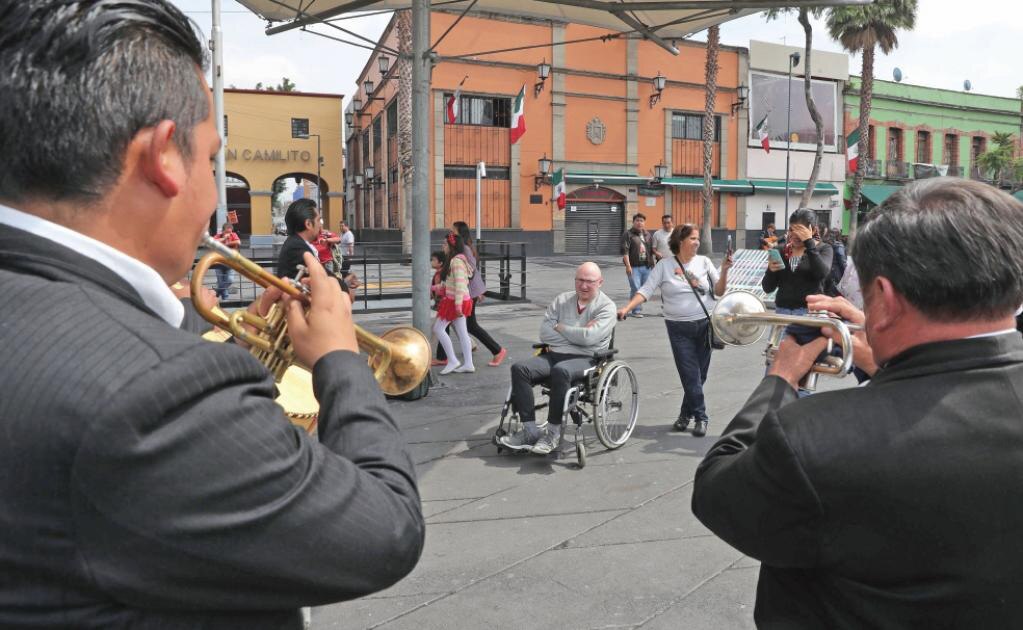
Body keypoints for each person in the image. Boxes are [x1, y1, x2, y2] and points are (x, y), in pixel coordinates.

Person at [0, 3, 424, 627]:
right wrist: (339, 356)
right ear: (165, 157)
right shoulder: (156, 397)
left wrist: (249, 330)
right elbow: (385, 530)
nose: (211, 192)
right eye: (210, 159)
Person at [692, 178, 1023, 628]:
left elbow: (717, 491)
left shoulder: (812, 439)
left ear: (883, 299)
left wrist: (781, 376)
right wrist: (886, 344)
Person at [617, 224, 732, 437]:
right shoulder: (664, 266)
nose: (697, 242)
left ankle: (684, 415)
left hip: (705, 325)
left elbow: (719, 291)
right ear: (680, 241)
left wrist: (724, 270)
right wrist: (627, 308)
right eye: (693, 239)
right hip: (678, 328)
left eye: (698, 239)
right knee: (690, 374)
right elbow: (646, 290)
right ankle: (701, 417)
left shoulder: (704, 262)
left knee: (700, 376)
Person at [499, 262, 616, 455]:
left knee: (561, 371)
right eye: (580, 280)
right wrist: (579, 334)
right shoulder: (562, 300)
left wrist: (560, 327)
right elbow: (544, 333)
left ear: (600, 282)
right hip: (554, 354)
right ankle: (530, 431)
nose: (584, 285)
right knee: (520, 368)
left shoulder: (607, 307)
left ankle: (553, 434)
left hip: (586, 358)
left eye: (589, 281)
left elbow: (590, 338)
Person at [435, 221, 507, 367]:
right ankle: (448, 356)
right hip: (466, 292)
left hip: (466, 293)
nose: (451, 233)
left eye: (453, 230)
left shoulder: (465, 250)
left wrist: (468, 290)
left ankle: (497, 350)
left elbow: (470, 271)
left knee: (469, 325)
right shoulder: (461, 249)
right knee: (460, 324)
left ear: (459, 232)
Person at [433, 232, 476, 375]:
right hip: (459, 301)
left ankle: (452, 360)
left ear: (451, 246)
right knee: (463, 333)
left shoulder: (456, 262)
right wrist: (435, 288)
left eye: (444, 244)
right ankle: (468, 363)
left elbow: (460, 285)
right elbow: (452, 284)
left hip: (456, 302)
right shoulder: (455, 261)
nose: (442, 246)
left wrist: (457, 306)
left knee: (438, 329)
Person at [277, 198, 322, 281]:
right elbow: (323, 277)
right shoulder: (297, 248)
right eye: (318, 220)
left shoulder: (294, 243)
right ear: (308, 224)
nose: (320, 225)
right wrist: (346, 284)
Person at [621, 213, 654, 317]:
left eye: (642, 221)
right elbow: (625, 251)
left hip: (646, 266)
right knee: (636, 288)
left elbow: (650, 251)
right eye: (637, 220)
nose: (639, 223)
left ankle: (636, 305)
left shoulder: (647, 235)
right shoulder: (628, 234)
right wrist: (628, 266)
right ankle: (636, 310)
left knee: (644, 289)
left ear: (644, 223)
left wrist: (652, 263)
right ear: (633, 222)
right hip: (634, 267)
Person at [211, 221, 240, 299]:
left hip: (230, 262)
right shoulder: (218, 236)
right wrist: (224, 238)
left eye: (230, 232)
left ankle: (217, 291)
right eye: (227, 232)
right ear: (223, 231)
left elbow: (238, 242)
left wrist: (227, 243)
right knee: (221, 281)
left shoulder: (233, 235)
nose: (229, 234)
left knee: (230, 280)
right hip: (218, 262)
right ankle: (225, 298)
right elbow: (213, 242)